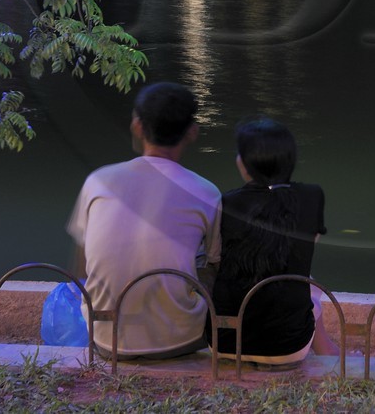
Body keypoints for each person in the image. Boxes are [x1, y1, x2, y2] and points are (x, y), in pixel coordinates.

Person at [67, 81, 221, 358]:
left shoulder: (98, 181)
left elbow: (81, 267)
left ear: (137, 126)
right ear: (192, 132)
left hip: (107, 338)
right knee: (207, 256)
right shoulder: (206, 192)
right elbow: (215, 266)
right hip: (183, 338)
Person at [209, 116, 333, 364]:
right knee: (309, 285)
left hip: (224, 341)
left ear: (245, 163)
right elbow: (306, 246)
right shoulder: (312, 196)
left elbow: (214, 257)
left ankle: (327, 349)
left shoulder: (227, 201)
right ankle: (329, 351)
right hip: (289, 346)